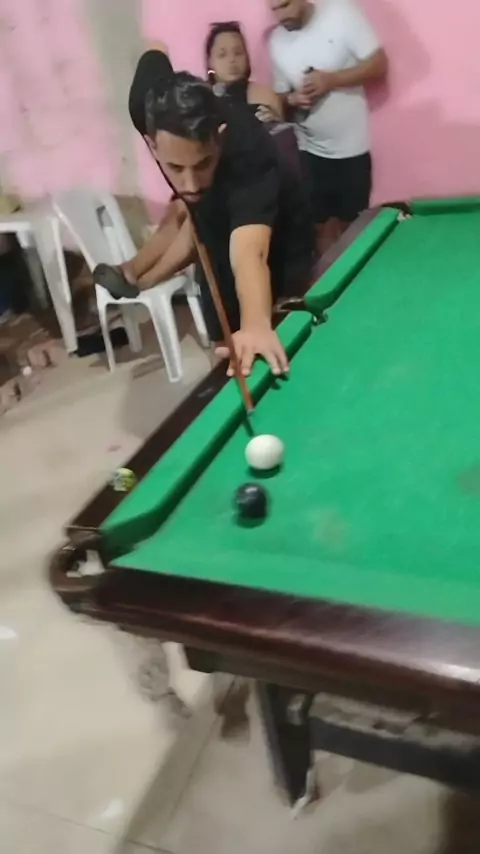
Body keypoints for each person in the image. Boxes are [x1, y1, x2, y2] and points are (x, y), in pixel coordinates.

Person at [95, 49, 315, 376]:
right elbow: (152, 61)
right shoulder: (145, 109)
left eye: (202, 164)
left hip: (281, 243)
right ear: (152, 144)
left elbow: (250, 253)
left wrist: (255, 325)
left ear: (220, 138)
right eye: (175, 167)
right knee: (224, 339)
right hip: (218, 235)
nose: (190, 183)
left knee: (273, 342)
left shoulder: (249, 153)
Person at [268, 0, 387, 253]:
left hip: (351, 149)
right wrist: (294, 99)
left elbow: (379, 64)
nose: (280, 16)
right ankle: (328, 278)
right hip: (309, 149)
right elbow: (280, 98)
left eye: (285, 5)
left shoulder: (340, 13)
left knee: (353, 227)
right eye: (274, 9)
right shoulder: (276, 41)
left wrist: (331, 80)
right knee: (319, 227)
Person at [205, 21, 283, 122]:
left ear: (247, 57)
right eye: (222, 55)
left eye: (238, 53)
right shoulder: (200, 99)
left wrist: (274, 122)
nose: (232, 59)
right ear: (210, 61)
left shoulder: (265, 95)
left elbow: (283, 130)